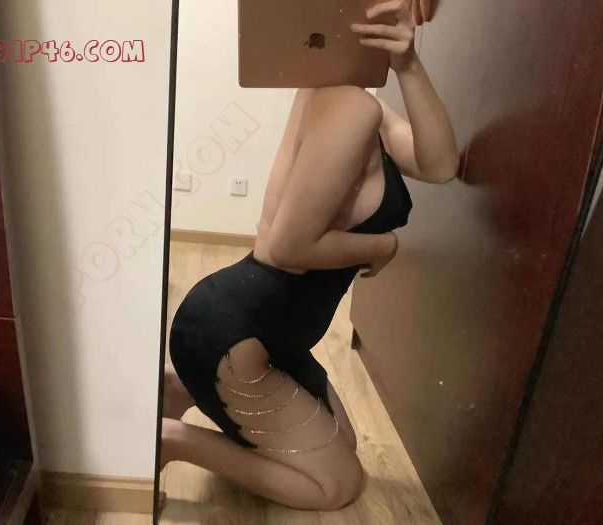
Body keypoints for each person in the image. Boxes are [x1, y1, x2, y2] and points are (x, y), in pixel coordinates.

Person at [160, 0, 459, 512]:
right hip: (233, 337)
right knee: (336, 485)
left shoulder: (350, 101)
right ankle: (170, 440)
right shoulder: (349, 108)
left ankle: (180, 390)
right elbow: (287, 247)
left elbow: (439, 165)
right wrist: (383, 245)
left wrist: (409, 66)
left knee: (346, 443)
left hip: (268, 334)